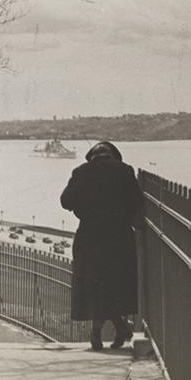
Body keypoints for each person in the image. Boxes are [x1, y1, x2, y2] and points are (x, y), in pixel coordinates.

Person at [60, 141, 144, 350]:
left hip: (89, 236)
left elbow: (66, 201)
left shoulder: (81, 172)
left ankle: (99, 331)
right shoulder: (125, 171)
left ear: (92, 156)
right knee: (114, 284)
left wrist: (83, 208)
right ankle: (119, 327)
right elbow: (137, 202)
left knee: (95, 284)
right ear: (113, 156)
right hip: (119, 236)